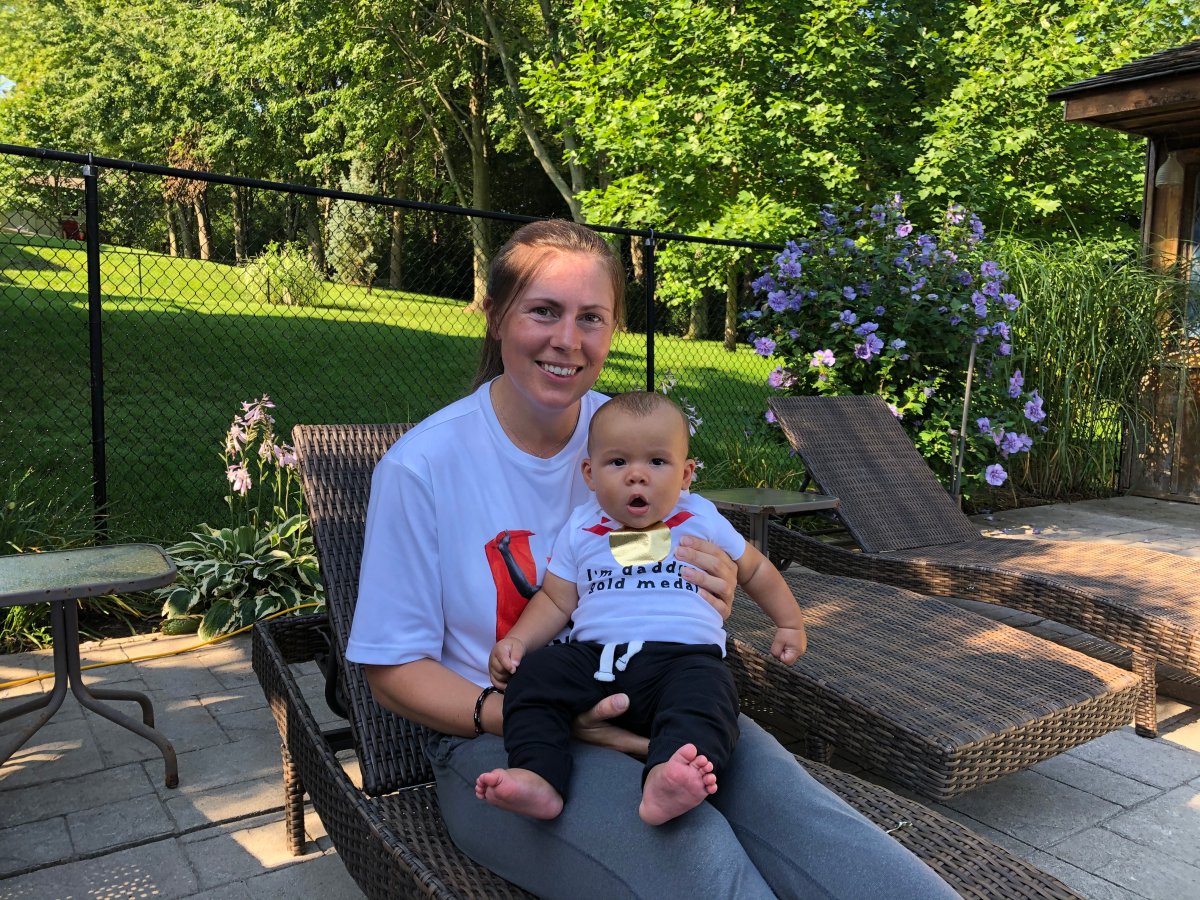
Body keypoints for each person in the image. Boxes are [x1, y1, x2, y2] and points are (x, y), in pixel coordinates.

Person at [348, 219, 958, 899]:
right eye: (543, 311)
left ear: (612, 331)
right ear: (494, 317)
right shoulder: (424, 470)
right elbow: (392, 669)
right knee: (703, 869)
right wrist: (534, 714)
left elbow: (662, 556)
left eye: (591, 317)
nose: (567, 340)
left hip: (664, 697)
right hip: (497, 739)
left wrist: (712, 583)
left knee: (834, 843)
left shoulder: (631, 437)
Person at [476, 390, 807, 826]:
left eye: (656, 462)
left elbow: (755, 569)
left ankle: (667, 780)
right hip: (596, 661)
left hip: (683, 660)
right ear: (590, 474)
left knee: (710, 697)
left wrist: (789, 622)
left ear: (686, 474)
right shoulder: (581, 526)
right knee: (534, 680)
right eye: (618, 463)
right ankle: (538, 773)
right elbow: (557, 599)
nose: (637, 477)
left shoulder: (700, 517)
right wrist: (517, 639)